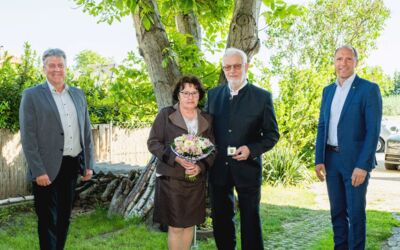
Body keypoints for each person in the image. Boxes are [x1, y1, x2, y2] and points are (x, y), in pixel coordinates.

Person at [19, 48, 94, 250]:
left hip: (71, 165)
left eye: (60, 65)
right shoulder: (32, 95)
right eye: (51, 65)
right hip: (46, 168)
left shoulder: (78, 94)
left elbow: (86, 131)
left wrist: (88, 165)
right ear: (44, 68)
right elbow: (28, 137)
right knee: (47, 220)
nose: (56, 69)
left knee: (64, 219)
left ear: (66, 68)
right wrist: (38, 171)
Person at [205, 47, 280, 250]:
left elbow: (272, 135)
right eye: (227, 67)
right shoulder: (213, 95)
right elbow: (205, 132)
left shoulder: (262, 97)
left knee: (250, 220)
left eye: (237, 66)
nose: (232, 71)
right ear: (223, 69)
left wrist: (251, 149)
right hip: (219, 168)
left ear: (246, 67)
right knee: (220, 219)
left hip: (248, 169)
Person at [315, 45, 382, 250]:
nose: (343, 63)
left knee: (355, 213)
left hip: (355, 162)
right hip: (331, 160)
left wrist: (363, 165)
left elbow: (373, 131)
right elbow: (322, 125)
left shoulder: (368, 89)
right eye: (339, 59)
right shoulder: (328, 90)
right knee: (337, 212)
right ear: (334, 62)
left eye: (348, 59)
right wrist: (319, 158)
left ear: (356, 62)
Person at [147, 76, 215, 250]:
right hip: (172, 179)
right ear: (178, 95)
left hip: (195, 181)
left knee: (190, 225)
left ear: (199, 95)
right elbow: (153, 143)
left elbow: (213, 148)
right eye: (185, 92)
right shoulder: (165, 114)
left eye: (194, 92)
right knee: (176, 226)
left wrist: (200, 166)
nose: (190, 97)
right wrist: (175, 158)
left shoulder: (207, 118)